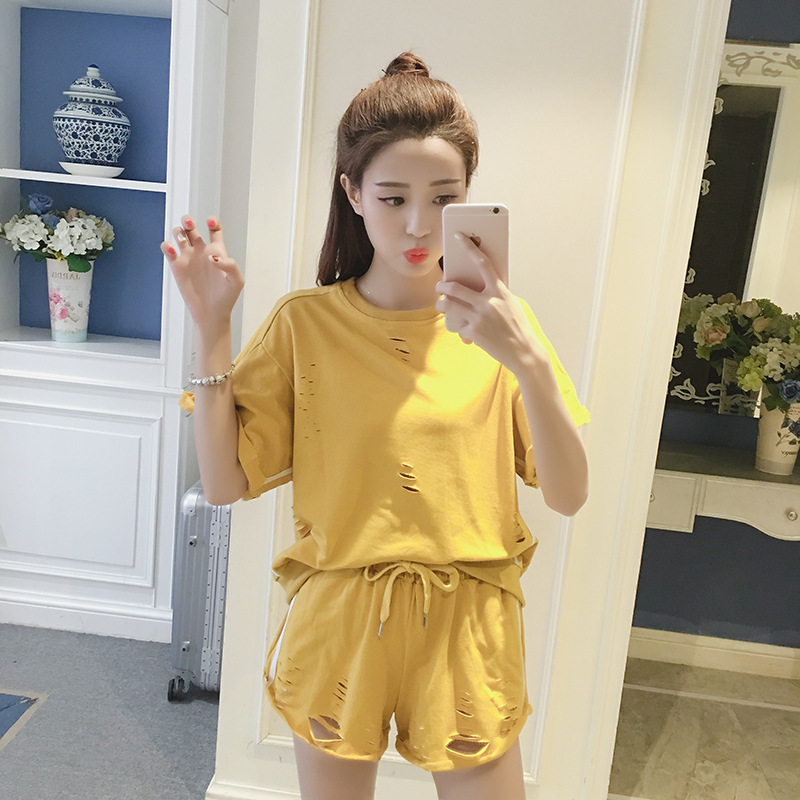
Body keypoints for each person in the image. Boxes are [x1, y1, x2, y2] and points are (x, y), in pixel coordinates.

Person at [162, 52, 589, 800]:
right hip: (341, 614)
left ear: (467, 199)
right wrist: (212, 328)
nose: (419, 224)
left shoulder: (502, 326)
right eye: (393, 198)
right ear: (352, 192)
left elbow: (569, 494)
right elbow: (225, 484)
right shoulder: (306, 325)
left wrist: (528, 363)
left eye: (444, 198)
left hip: (470, 616)